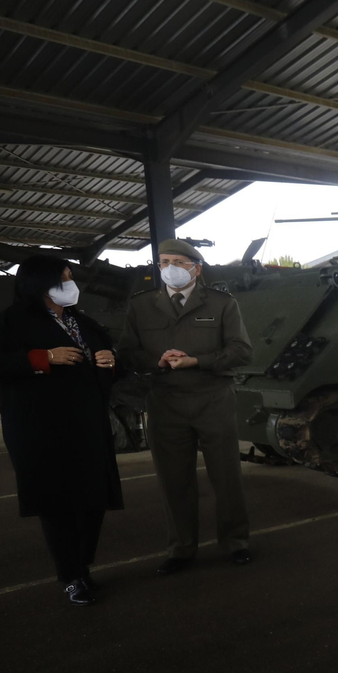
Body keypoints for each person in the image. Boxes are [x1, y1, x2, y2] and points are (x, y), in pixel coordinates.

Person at [0, 255, 123, 605]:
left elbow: (108, 360)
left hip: (88, 427)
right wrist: (41, 358)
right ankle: (71, 576)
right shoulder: (12, 322)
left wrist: (111, 361)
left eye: (69, 276)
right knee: (58, 504)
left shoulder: (82, 322)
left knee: (93, 500)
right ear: (40, 283)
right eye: (63, 277)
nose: (70, 283)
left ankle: (82, 564)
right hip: (41, 430)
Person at [117, 239, 253, 574]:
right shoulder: (142, 306)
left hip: (212, 398)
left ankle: (236, 542)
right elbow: (128, 353)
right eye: (163, 262)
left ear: (197, 267)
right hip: (165, 402)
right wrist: (157, 360)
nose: (169, 268)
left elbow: (241, 351)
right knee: (173, 480)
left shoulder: (222, 303)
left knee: (226, 477)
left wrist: (198, 360)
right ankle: (181, 548)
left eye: (178, 261)